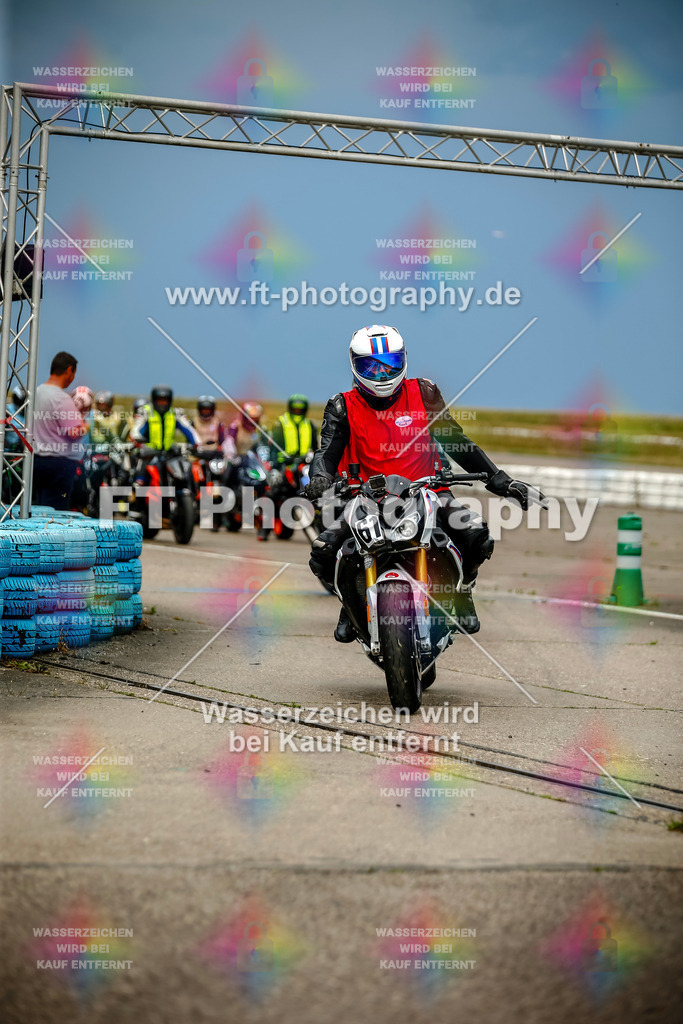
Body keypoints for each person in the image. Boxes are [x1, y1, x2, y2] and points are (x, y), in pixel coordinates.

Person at [304, 325, 543, 642]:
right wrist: (320, 477)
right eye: (371, 365)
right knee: (323, 552)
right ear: (354, 364)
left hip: (430, 491)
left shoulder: (425, 393)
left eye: (389, 362)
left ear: (403, 360)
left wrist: (503, 482)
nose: (381, 372)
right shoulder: (341, 406)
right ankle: (350, 605)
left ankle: (463, 590)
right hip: (365, 499)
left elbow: (457, 442)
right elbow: (327, 452)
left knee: (476, 534)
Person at [32, 351, 89, 509]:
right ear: (69, 370)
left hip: (36, 461)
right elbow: (73, 433)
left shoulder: (36, 392)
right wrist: (85, 426)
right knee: (55, 511)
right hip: (59, 465)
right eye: (73, 374)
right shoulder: (61, 398)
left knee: (39, 508)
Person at [131, 386, 199, 449]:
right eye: (159, 401)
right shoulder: (145, 412)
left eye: (164, 401)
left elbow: (189, 430)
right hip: (149, 453)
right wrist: (140, 444)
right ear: (154, 400)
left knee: (184, 462)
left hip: (169, 453)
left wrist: (197, 445)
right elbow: (136, 432)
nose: (162, 404)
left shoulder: (175, 413)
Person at [269, 394, 318, 465]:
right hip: (284, 465)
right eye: (295, 409)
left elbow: (315, 448)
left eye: (300, 409)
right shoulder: (280, 423)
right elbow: (274, 447)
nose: (298, 411)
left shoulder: (310, 424)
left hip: (305, 465)